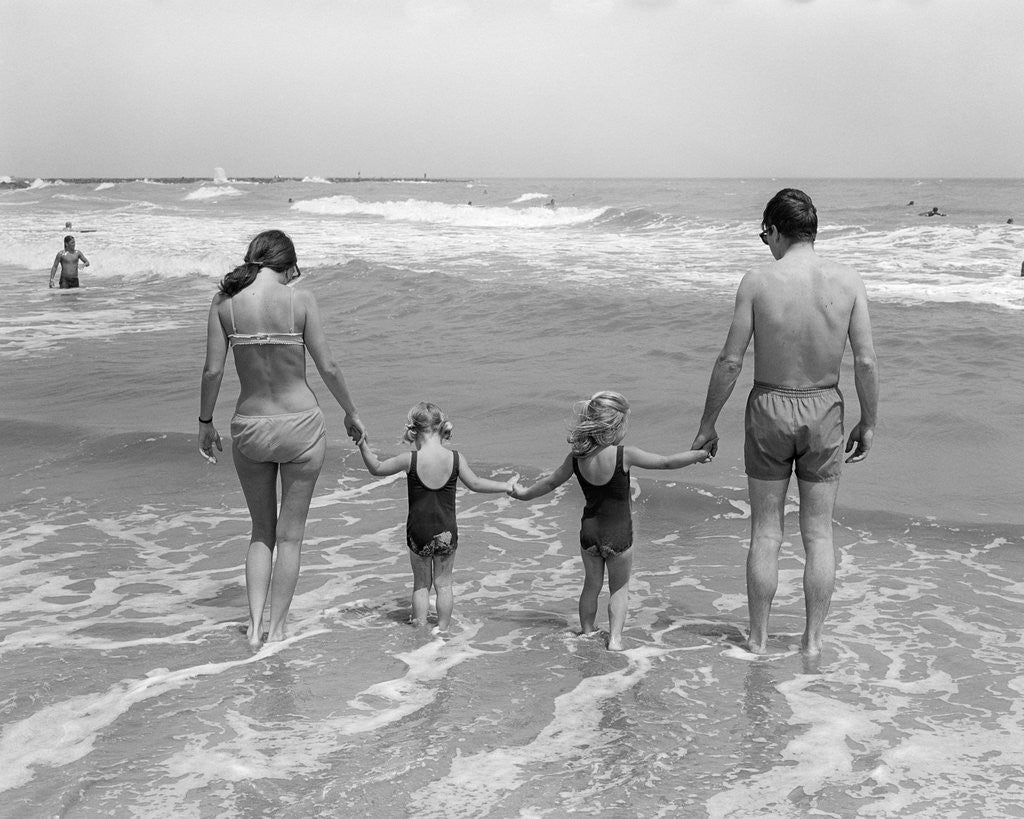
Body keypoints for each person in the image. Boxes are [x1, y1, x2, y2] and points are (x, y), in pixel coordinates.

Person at [691, 189, 878, 657]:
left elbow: (730, 361)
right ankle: (812, 644)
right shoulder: (849, 281)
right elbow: (867, 362)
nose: (765, 244)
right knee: (819, 535)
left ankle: (756, 640)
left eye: (764, 235)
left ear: (775, 230)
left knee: (766, 533)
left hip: (770, 407)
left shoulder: (757, 281)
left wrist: (707, 423)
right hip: (825, 409)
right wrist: (868, 421)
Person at [199, 229, 365, 651]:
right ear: (287, 262)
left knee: (261, 532)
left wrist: (205, 421)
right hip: (302, 428)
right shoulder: (301, 300)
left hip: (251, 425)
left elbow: (213, 372)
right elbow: (327, 365)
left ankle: (253, 628)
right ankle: (278, 629)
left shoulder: (225, 305)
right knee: (290, 536)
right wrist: (350, 411)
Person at [510, 392, 712, 651]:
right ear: (615, 427)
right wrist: (697, 456)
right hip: (619, 535)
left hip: (590, 533)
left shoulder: (576, 458)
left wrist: (523, 494)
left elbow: (550, 482)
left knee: (591, 585)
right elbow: (666, 463)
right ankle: (615, 640)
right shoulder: (623, 455)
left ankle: (586, 632)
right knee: (619, 588)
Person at [356, 402, 514, 632]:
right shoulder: (456, 459)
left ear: (414, 430)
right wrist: (507, 486)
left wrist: (363, 445)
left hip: (418, 531)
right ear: (441, 427)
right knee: (444, 584)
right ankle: (443, 630)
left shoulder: (410, 459)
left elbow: (377, 468)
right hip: (446, 531)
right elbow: (477, 484)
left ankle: (419, 629)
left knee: (421, 584)